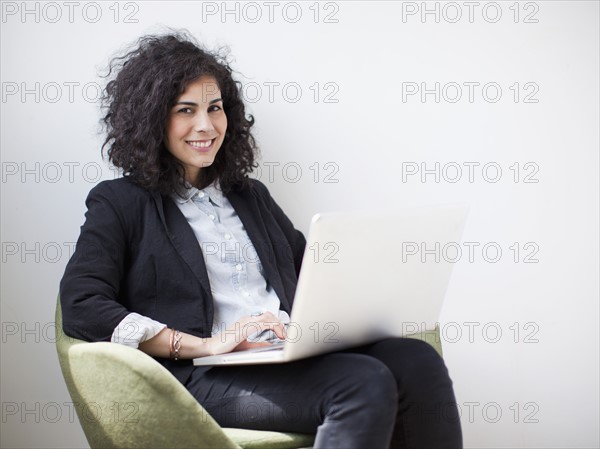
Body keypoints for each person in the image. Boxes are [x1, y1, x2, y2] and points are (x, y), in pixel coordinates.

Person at [60, 31, 463, 448]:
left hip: (282, 355)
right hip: (208, 375)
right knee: (361, 383)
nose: (206, 125)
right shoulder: (120, 202)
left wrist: (380, 285)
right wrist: (204, 344)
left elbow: (314, 275)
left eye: (215, 108)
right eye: (186, 110)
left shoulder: (249, 195)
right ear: (152, 119)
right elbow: (81, 305)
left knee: (418, 360)